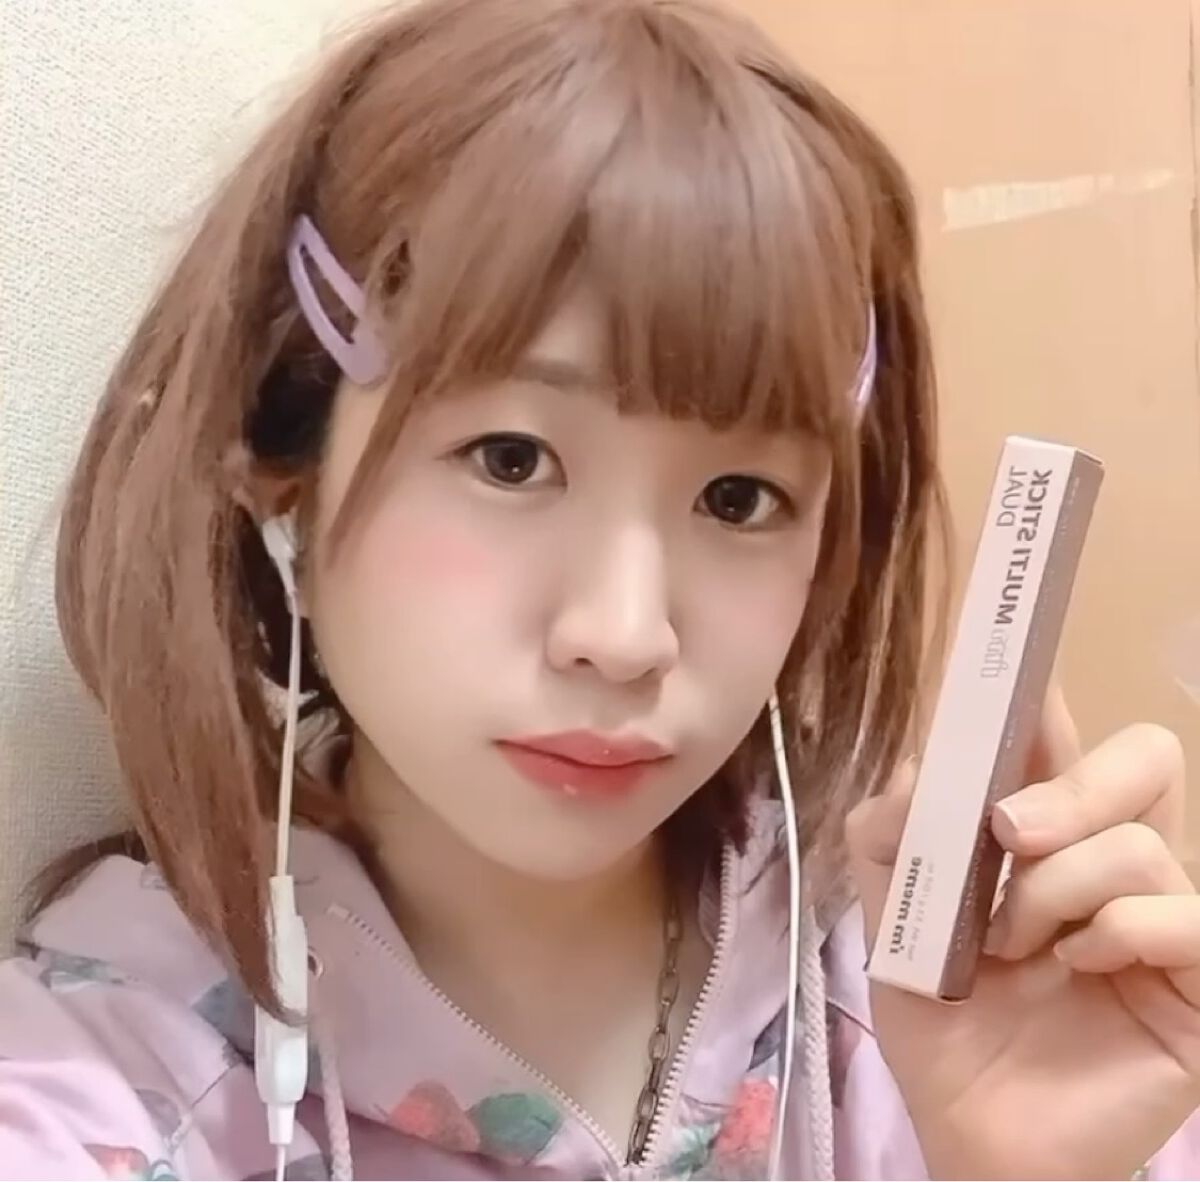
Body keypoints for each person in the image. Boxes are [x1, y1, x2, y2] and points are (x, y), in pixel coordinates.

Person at [3, 0, 1198, 1178]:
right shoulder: (106, 1086)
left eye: (739, 498)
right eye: (510, 459)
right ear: (286, 473)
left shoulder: (937, 1002)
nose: (624, 638)